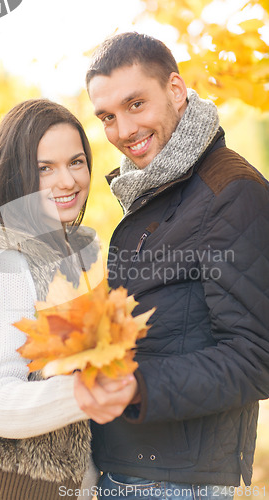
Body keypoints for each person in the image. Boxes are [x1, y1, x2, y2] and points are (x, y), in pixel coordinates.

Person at [74, 32, 269, 498]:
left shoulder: (229, 191)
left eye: (135, 104)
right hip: (134, 466)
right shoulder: (160, 190)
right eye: (107, 117)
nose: (122, 130)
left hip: (174, 480)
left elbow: (256, 356)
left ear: (176, 92)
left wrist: (137, 386)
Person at [0, 98, 119, 500]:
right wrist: (94, 391)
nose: (68, 181)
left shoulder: (53, 255)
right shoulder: (7, 264)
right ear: (15, 174)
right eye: (45, 168)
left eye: (76, 162)